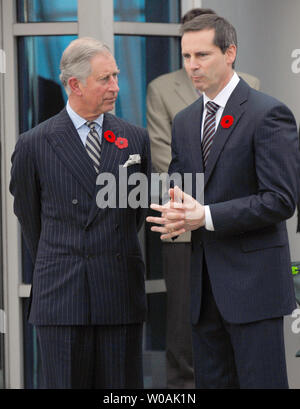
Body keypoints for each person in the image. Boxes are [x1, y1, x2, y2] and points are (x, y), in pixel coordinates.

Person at [147, 14, 300, 389]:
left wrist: (206, 216)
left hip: (253, 290)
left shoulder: (268, 113)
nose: (192, 66)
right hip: (202, 292)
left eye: (202, 54)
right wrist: (176, 214)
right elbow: (184, 188)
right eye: (185, 56)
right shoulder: (184, 121)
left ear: (230, 53)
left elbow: (280, 199)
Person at [10, 37, 151, 389]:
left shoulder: (135, 139)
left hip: (119, 293)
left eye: (116, 76)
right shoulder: (34, 144)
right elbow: (31, 221)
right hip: (61, 298)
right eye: (105, 79)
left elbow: (135, 214)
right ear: (75, 84)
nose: (116, 86)